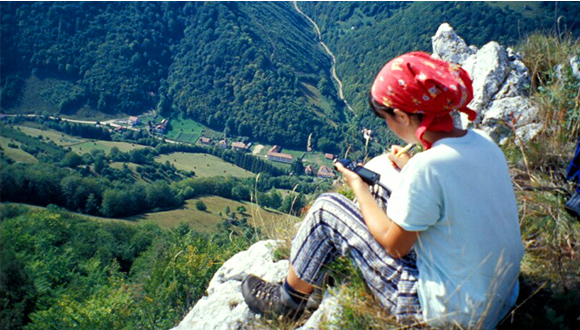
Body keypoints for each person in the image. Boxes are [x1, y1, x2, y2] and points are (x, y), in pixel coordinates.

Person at [242, 51, 524, 329]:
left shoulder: (426, 168)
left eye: (385, 117)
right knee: (387, 187)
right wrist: (408, 165)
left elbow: (394, 246)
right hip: (498, 298)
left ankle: (287, 301)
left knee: (326, 210)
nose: (386, 125)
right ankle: (313, 273)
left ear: (401, 115)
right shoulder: (485, 143)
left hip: (444, 315)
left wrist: (358, 187)